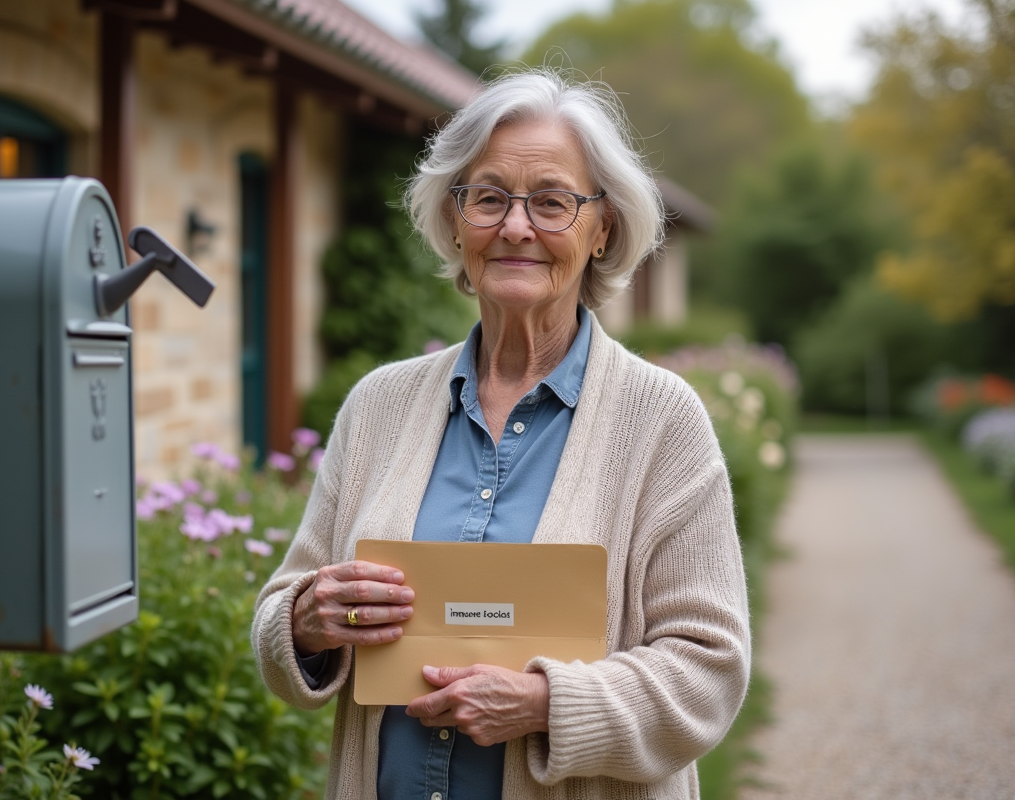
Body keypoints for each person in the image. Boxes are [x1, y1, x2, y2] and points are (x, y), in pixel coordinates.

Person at [252, 68, 750, 800]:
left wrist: (549, 706)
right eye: (488, 198)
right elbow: (284, 613)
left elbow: (709, 671)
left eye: (552, 201)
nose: (516, 226)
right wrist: (306, 620)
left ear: (601, 226)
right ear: (456, 221)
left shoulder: (662, 421)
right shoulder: (376, 407)